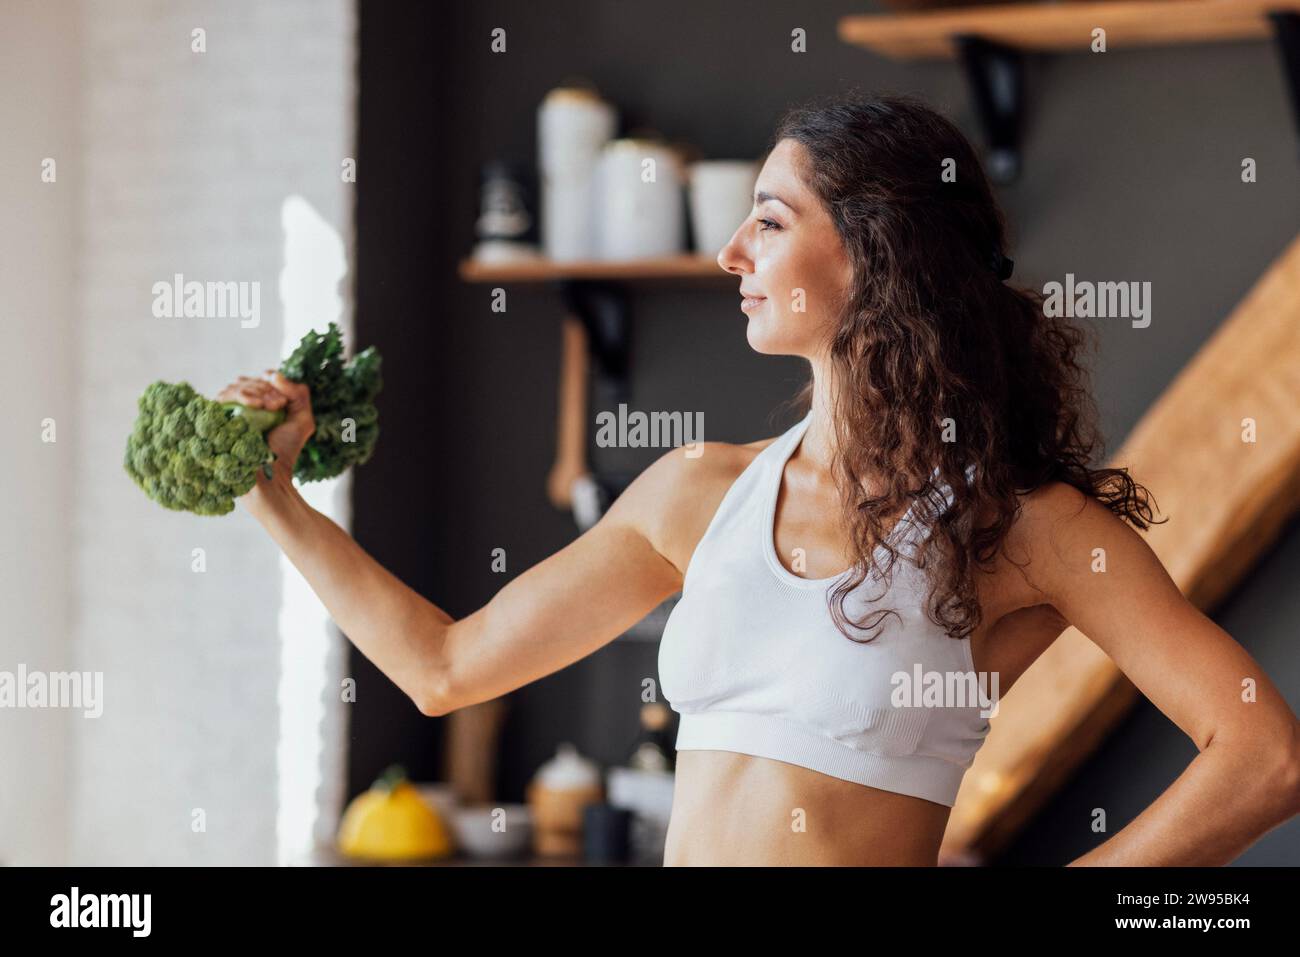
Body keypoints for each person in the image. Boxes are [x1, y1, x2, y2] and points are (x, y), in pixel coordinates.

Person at [220, 93, 1299, 866]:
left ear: (878, 255)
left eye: (771, 220)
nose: (733, 250)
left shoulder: (1022, 528)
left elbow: (1260, 756)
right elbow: (445, 667)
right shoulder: (699, 493)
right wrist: (274, 496)